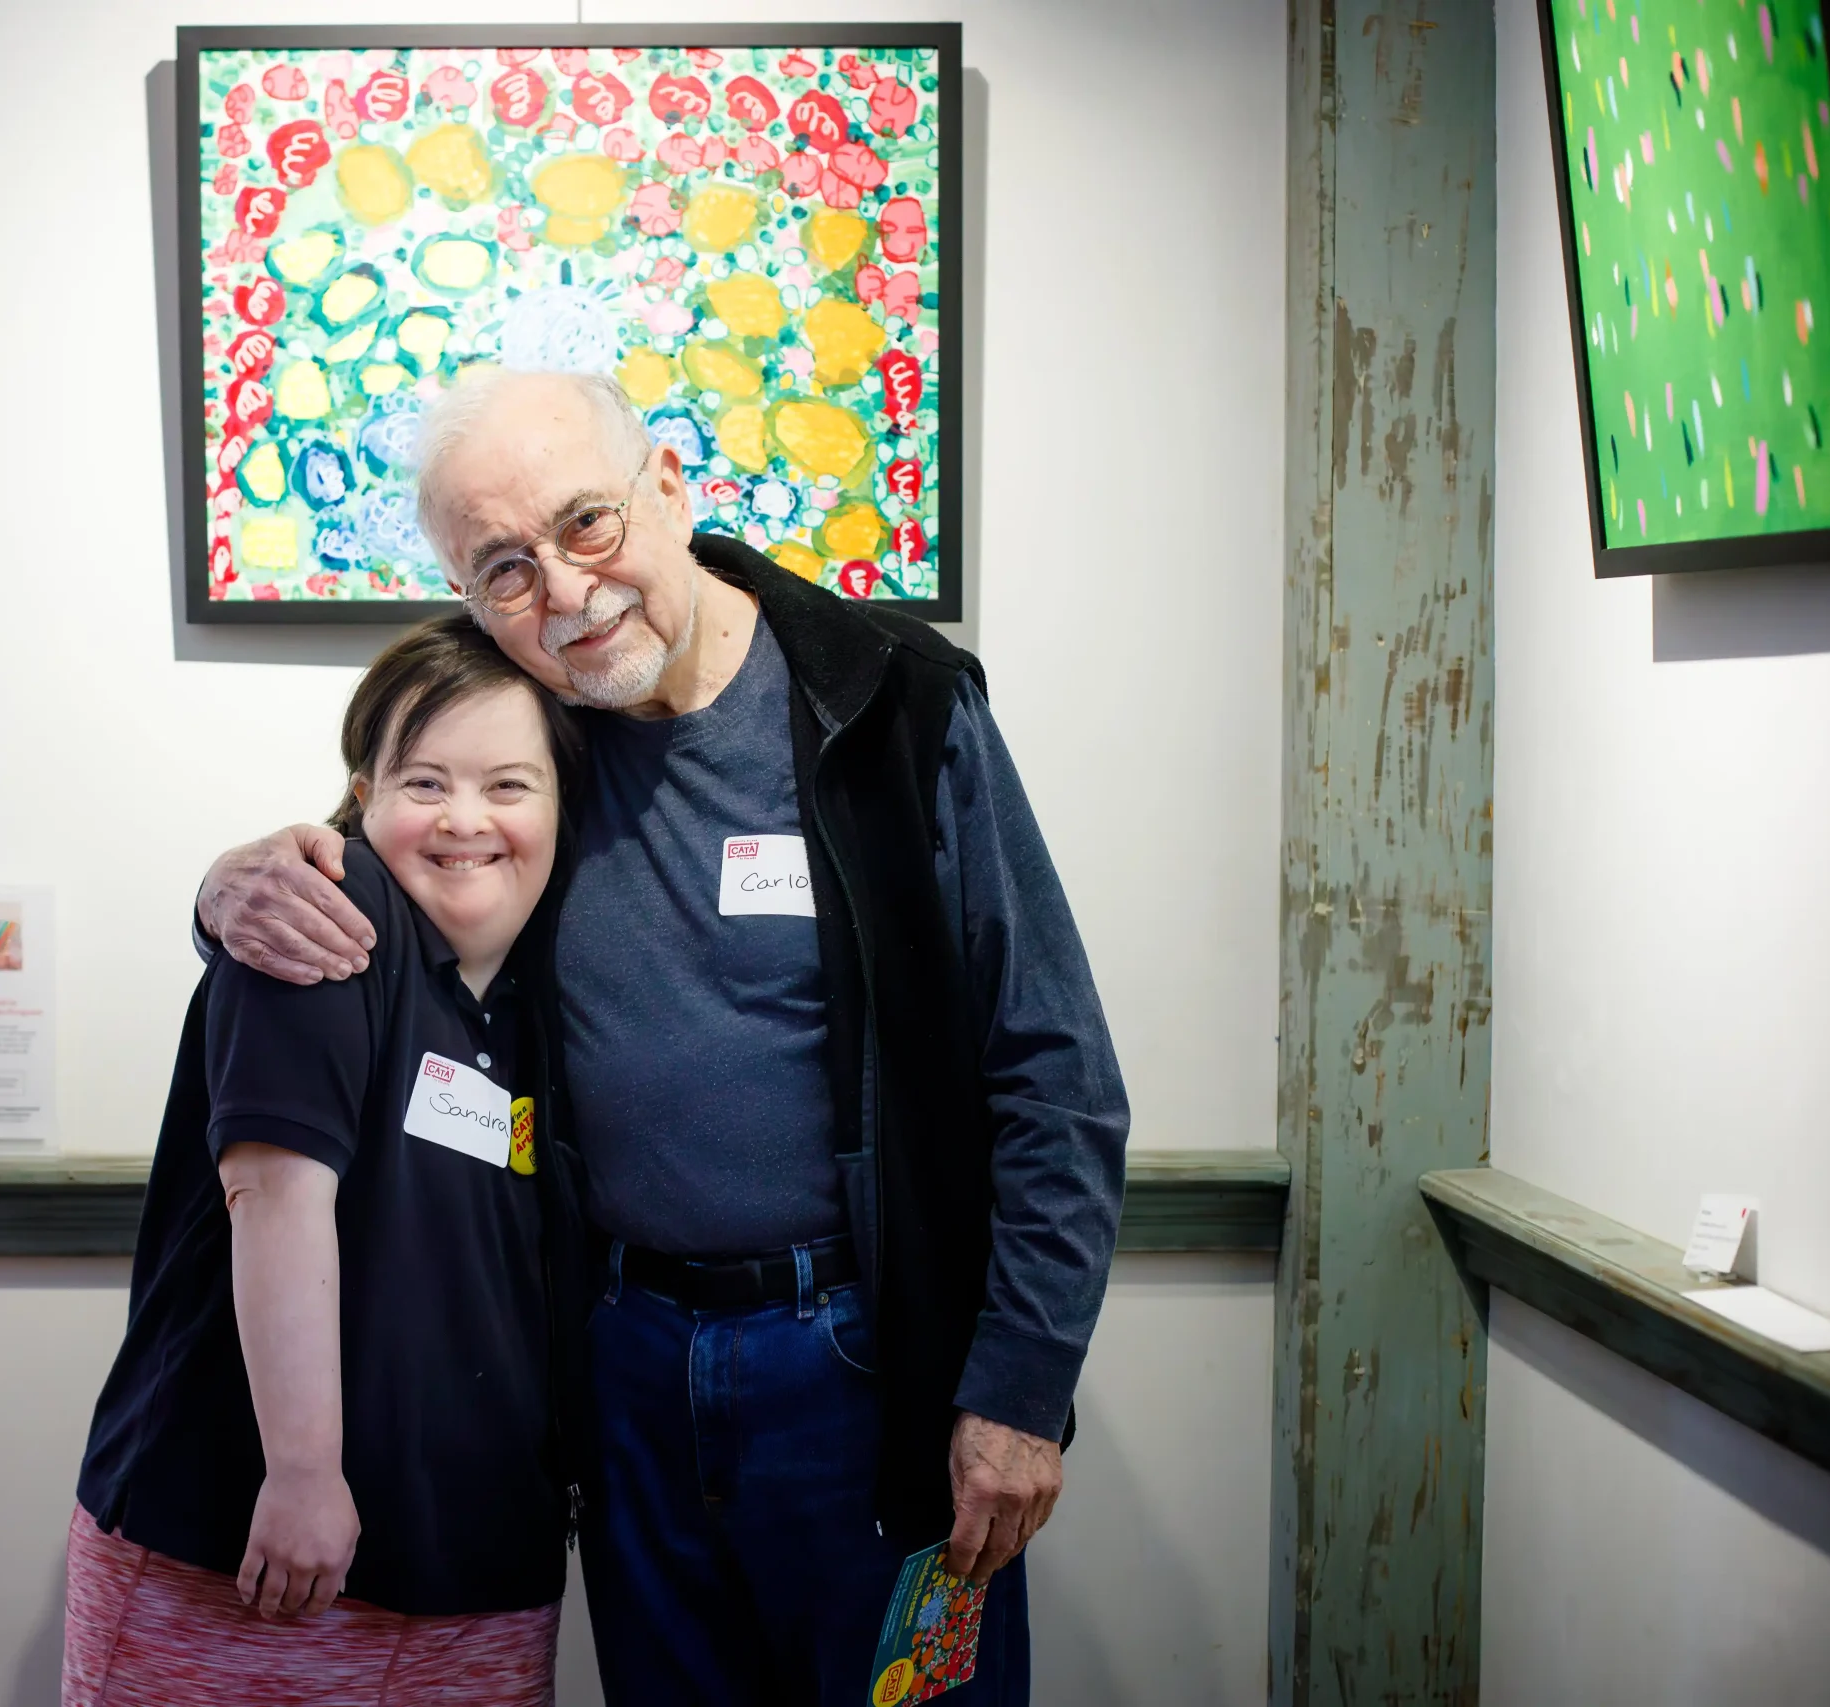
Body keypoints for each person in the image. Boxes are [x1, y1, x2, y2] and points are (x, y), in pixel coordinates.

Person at [196, 368, 1130, 1705]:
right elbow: (373, 873)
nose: (566, 594)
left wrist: (1023, 1389)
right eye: (503, 569)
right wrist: (226, 887)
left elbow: (1056, 1069)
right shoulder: (533, 733)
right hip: (623, 1370)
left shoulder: (894, 706)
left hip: (869, 1365)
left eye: (586, 525)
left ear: (674, 485)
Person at [65, 616, 587, 1707]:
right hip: (258, 1558)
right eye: (424, 782)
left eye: (508, 786)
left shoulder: (552, 989)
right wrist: (304, 1476)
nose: (464, 821)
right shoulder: (320, 915)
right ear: (363, 789)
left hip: (474, 1576)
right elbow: (273, 1193)